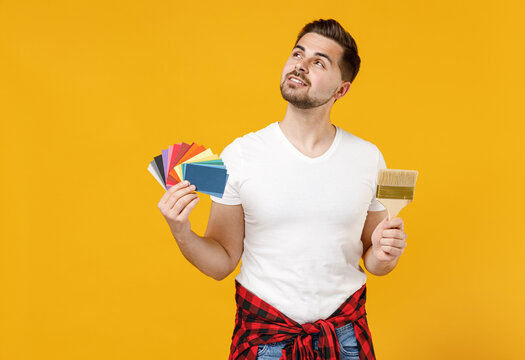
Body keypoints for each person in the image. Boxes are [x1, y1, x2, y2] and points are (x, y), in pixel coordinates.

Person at [157, 18, 408, 360]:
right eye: (297, 54)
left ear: (341, 90)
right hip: (265, 340)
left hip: (345, 338)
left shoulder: (368, 156)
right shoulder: (240, 155)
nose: (300, 65)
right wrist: (180, 229)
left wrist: (384, 254)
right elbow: (221, 263)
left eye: (319, 62)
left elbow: (374, 260)